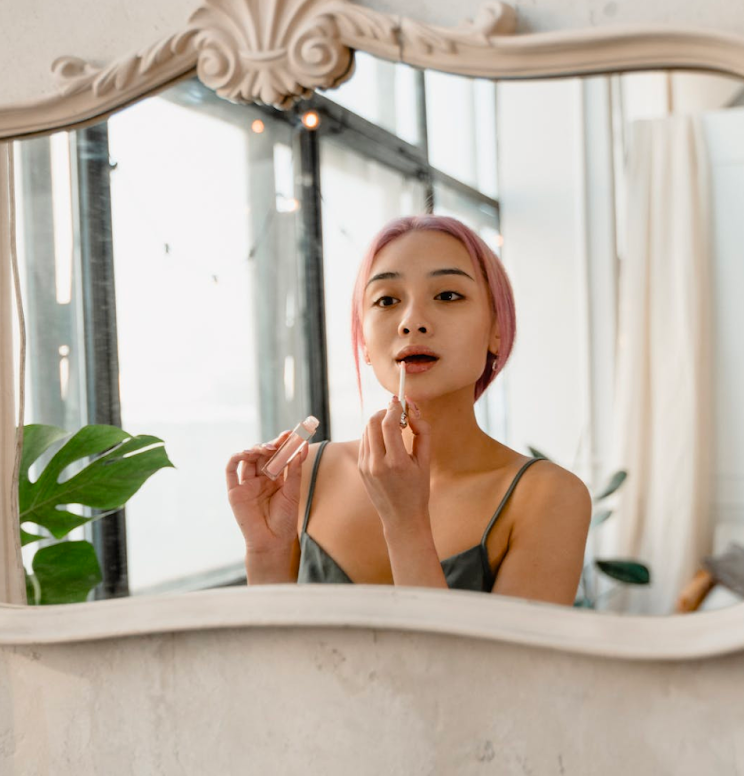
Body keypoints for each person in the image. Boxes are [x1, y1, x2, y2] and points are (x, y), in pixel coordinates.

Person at [226, 215, 591, 602]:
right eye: (386, 300)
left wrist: (406, 524)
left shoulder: (549, 498)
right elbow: (275, 656)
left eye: (448, 296)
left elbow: (501, 666)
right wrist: (266, 552)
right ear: (364, 341)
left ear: (497, 330)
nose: (411, 322)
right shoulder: (302, 477)